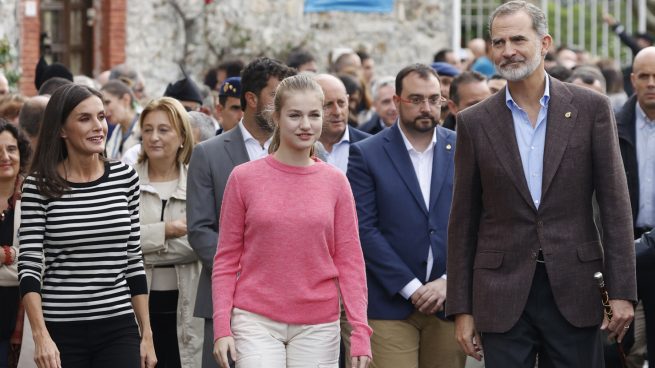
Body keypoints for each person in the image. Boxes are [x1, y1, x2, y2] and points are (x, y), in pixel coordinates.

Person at [447, 2, 636, 367]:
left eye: (518, 39)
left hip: (576, 287)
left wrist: (623, 292)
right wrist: (462, 308)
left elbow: (615, 205)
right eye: (498, 42)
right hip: (501, 292)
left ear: (544, 42)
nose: (508, 51)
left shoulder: (591, 108)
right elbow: (462, 221)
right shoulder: (474, 122)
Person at [212, 74, 371, 368]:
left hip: (319, 323)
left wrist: (360, 330)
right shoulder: (244, 178)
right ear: (276, 117)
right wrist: (222, 327)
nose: (306, 125)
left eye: (313, 115)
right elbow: (226, 259)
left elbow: (350, 260)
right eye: (295, 115)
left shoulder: (336, 182)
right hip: (254, 318)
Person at [17, 83, 157, 368]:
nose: (98, 126)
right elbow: (30, 266)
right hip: (61, 330)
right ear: (61, 130)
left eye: (101, 116)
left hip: (118, 325)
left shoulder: (124, 177)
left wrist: (147, 334)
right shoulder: (39, 186)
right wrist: (41, 336)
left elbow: (133, 261)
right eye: (85, 118)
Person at [347, 63, 464, 368]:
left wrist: (449, 281)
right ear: (397, 101)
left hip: (449, 303)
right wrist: (411, 287)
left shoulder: (463, 148)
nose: (426, 107)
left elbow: (478, 222)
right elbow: (363, 229)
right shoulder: (366, 153)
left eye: (433, 98)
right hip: (388, 304)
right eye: (416, 99)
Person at [187, 57, 296, 368]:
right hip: (229, 299)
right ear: (251, 99)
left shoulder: (302, 151)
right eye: (276, 96)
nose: (283, 104)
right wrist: (243, 274)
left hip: (291, 299)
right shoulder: (207, 154)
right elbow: (200, 229)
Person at [136, 97, 203, 367]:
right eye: (148, 129)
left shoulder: (199, 181)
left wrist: (147, 242)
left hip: (187, 303)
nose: (154, 137)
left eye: (164, 129)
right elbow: (119, 239)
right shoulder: (125, 181)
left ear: (182, 136)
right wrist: (169, 230)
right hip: (137, 302)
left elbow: (198, 243)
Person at [617, 46, 655, 367]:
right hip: (621, 250)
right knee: (615, 345)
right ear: (632, 80)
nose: (651, 83)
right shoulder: (612, 126)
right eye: (644, 76)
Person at [0, 121, 30, 368]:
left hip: (22, 322)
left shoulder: (35, 196)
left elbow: (41, 258)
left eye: (11, 149)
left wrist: (5, 255)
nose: (5, 157)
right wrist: (18, 258)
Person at [314, 74, 370, 174]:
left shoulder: (371, 146)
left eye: (341, 103)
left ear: (348, 101)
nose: (337, 112)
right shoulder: (298, 148)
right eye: (328, 105)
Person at [101, 80, 140, 160]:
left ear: (126, 100)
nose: (104, 111)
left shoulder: (144, 129)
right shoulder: (117, 130)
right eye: (102, 105)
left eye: (107, 102)